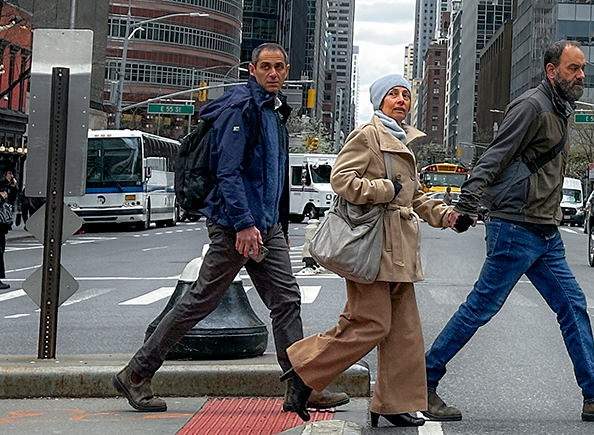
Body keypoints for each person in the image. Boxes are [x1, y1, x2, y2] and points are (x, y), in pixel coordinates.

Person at [113, 43, 346, 417]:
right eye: (265, 67)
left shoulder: (273, 111)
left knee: (286, 300)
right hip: (235, 225)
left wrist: (279, 226)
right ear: (251, 70)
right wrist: (244, 224)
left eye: (279, 67)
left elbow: (274, 178)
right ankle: (136, 373)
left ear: (287, 71)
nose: (273, 73)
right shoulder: (241, 108)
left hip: (264, 226)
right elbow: (228, 172)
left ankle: (300, 387)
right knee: (199, 301)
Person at [424, 41, 594, 423]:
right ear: (550, 70)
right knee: (480, 308)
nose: (580, 77)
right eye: (573, 69)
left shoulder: (560, 107)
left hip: (544, 229)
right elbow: (495, 155)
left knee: (572, 305)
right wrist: (467, 204)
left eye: (581, 70)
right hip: (515, 225)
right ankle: (422, 381)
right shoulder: (531, 106)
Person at [282, 76, 460, 428]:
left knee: (404, 332)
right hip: (373, 247)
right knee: (371, 324)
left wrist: (448, 216)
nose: (400, 100)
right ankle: (303, 370)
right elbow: (341, 179)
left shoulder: (403, 140)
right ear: (379, 102)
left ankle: (394, 403)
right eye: (393, 94)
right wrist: (383, 188)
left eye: (406, 95)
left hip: (400, 250)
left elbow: (414, 195)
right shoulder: (368, 135)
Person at [0, 169, 17, 290]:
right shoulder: (2, 186)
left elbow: (11, 200)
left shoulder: (6, 186)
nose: (11, 176)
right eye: (9, 174)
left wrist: (13, 187)